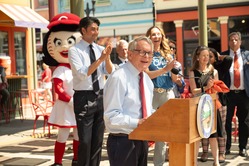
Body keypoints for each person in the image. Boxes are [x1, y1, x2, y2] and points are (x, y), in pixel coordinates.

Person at [68, 16, 114, 166]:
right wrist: (100, 59)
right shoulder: (74, 50)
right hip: (83, 97)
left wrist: (106, 58)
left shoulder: (100, 49)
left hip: (99, 96)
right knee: (86, 142)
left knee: (98, 142)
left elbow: (109, 71)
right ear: (83, 30)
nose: (96, 32)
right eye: (93, 29)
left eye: (97, 29)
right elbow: (82, 74)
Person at [104, 36, 155, 166]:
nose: (147, 57)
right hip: (122, 141)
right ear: (130, 54)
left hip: (141, 140)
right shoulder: (118, 77)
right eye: (142, 52)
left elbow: (146, 110)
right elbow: (111, 117)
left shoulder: (146, 80)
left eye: (150, 53)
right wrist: (137, 123)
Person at [42, 12, 82, 166]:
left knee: (78, 135)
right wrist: (69, 99)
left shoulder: (79, 67)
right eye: (59, 42)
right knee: (63, 136)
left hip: (78, 106)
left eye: (70, 41)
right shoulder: (60, 70)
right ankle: (58, 162)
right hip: (66, 107)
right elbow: (58, 88)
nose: (65, 46)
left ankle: (76, 159)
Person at [145, 26, 182, 166]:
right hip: (152, 95)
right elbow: (147, 74)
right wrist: (164, 69)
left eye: (158, 34)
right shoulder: (146, 54)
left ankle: (158, 164)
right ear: (149, 37)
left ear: (162, 36)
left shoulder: (168, 53)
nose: (156, 37)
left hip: (168, 94)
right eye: (153, 34)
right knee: (146, 129)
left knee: (163, 132)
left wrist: (175, 73)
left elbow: (173, 77)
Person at [189, 46, 222, 166]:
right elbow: (193, 90)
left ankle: (216, 161)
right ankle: (194, 162)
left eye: (207, 56)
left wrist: (213, 89)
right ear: (197, 57)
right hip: (198, 107)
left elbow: (216, 89)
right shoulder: (193, 72)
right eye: (203, 55)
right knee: (197, 135)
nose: (205, 58)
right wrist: (206, 88)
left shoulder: (214, 71)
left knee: (213, 135)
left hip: (210, 106)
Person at [200, 48, 232, 163]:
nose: (208, 58)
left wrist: (220, 56)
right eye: (205, 55)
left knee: (220, 129)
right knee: (204, 129)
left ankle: (221, 153)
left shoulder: (218, 68)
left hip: (219, 102)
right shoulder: (199, 70)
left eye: (210, 56)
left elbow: (229, 59)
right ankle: (204, 152)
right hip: (204, 103)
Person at [220, 32, 249, 157]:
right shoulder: (223, 56)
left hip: (244, 93)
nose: (234, 42)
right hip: (228, 94)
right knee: (226, 121)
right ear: (228, 42)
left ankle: (242, 147)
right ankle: (226, 147)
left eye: (236, 40)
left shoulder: (247, 55)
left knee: (244, 122)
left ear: (240, 41)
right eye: (231, 40)